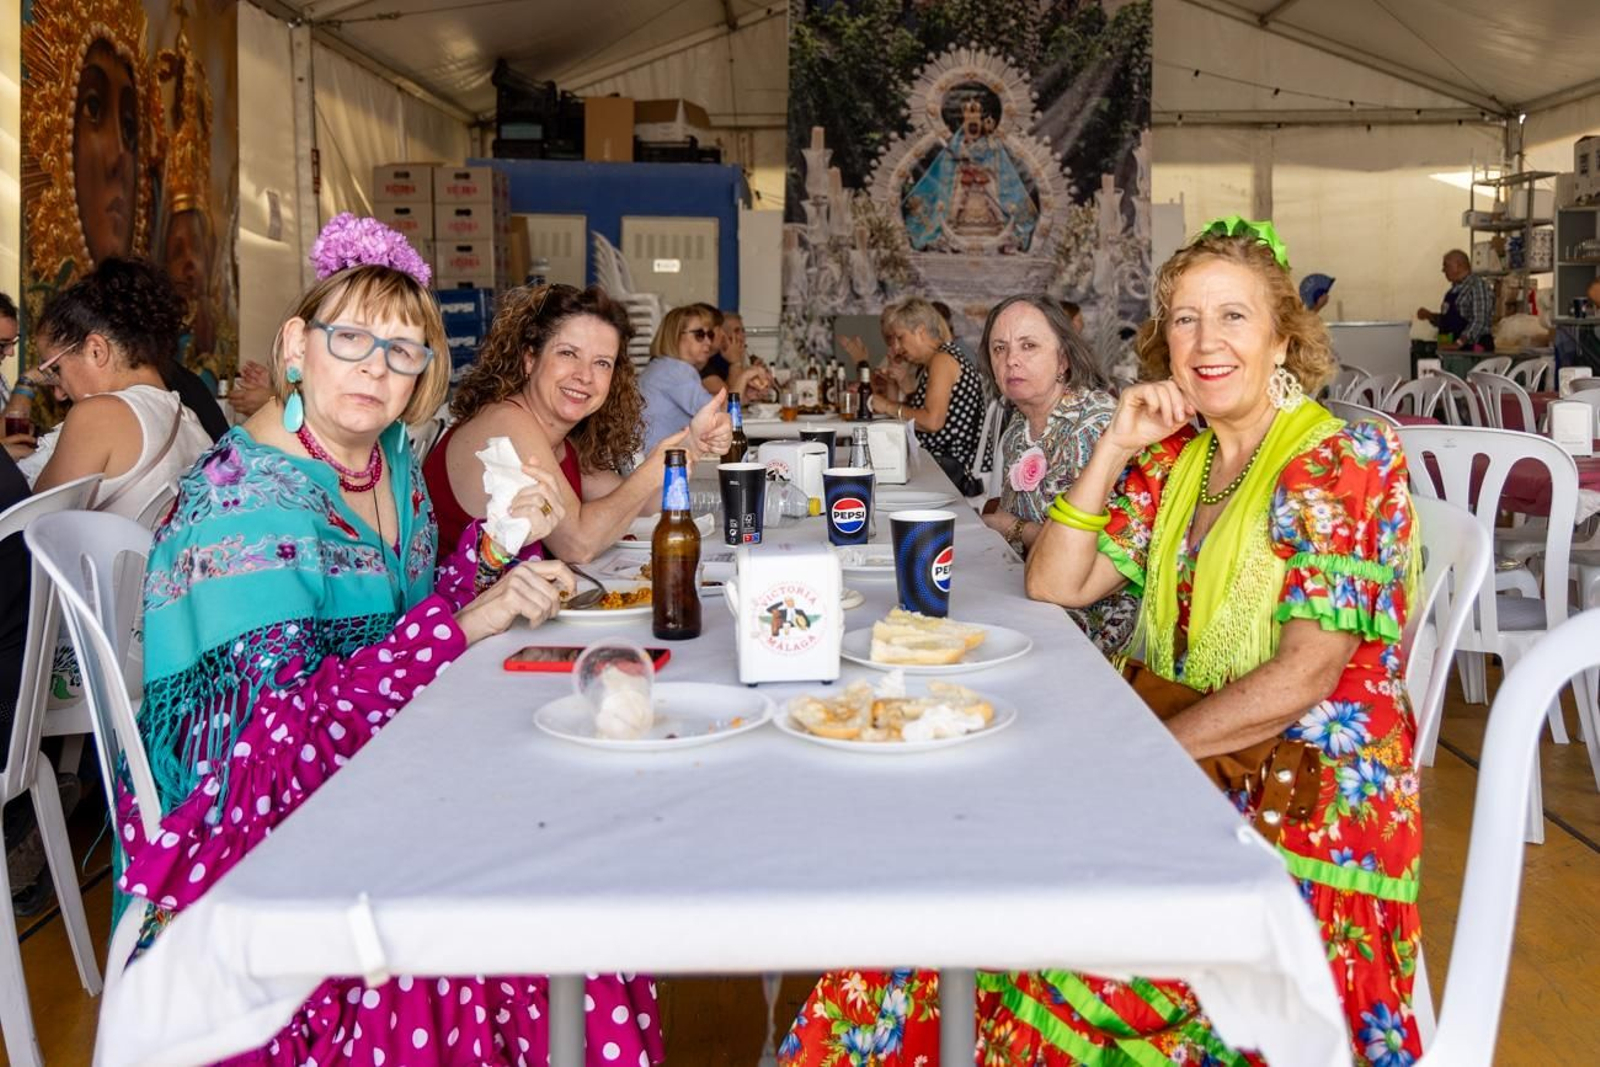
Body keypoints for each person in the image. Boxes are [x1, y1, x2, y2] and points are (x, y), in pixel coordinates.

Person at [782, 221, 1422, 1066]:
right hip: (1189, 755)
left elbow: (1306, 673)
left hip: (1299, 801)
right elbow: (1055, 582)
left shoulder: (1345, 456)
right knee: (943, 877)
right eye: (1185, 320)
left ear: (1282, 339)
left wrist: (1137, 760)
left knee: (1035, 929)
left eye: (1233, 317)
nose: (1205, 341)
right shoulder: (1174, 461)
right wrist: (1117, 445)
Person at [118, 215, 665, 1065]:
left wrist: (484, 554)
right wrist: (470, 618)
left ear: (422, 378)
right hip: (251, 834)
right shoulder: (243, 504)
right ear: (298, 346)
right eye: (354, 339)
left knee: (584, 836)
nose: (377, 365)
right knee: (541, 894)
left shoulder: (390, 467)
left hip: (372, 767)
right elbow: (280, 745)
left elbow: (403, 627)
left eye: (404, 351)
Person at [428, 284, 733, 568]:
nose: (585, 376)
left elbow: (649, 504)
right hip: (459, 618)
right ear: (530, 359)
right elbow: (577, 543)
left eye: (602, 363)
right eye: (568, 354)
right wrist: (651, 470)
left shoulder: (562, 440)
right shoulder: (507, 423)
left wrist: (690, 445)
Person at [977, 295, 1136, 655]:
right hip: (1027, 588)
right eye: (998, 348)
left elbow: (1097, 554)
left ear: (1063, 359)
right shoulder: (1019, 427)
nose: (1011, 360)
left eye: (1028, 346)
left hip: (1090, 613)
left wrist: (1009, 527)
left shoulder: (1095, 425)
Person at [22, 258, 211, 518]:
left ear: (96, 350)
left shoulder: (100, 414)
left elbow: (32, 525)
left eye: (56, 370)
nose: (58, 392)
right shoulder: (191, 421)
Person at [867, 296, 988, 495]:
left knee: (880, 477)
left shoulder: (942, 360)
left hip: (951, 468)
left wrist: (887, 406)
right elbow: (917, 412)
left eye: (900, 337)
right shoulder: (941, 358)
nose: (896, 347)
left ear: (920, 332)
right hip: (941, 462)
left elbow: (932, 421)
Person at [638, 303, 768, 453]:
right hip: (661, 465)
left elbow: (707, 406)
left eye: (710, 334)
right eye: (699, 334)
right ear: (675, 336)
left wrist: (743, 397)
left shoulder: (664, 367)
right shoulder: (676, 371)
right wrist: (745, 376)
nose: (708, 342)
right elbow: (719, 418)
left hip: (658, 457)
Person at [1417, 249, 1494, 351]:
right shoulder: (1454, 290)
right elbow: (1449, 322)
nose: (1443, 270)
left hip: (1473, 351)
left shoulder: (1477, 286)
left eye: (1446, 265)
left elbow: (1479, 321)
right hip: (1453, 352)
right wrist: (1430, 316)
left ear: (1459, 265)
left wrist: (1458, 343)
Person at [700, 308, 746, 395]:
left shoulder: (727, 356)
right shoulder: (702, 363)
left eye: (743, 331)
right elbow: (732, 401)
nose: (742, 336)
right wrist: (736, 363)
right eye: (736, 331)